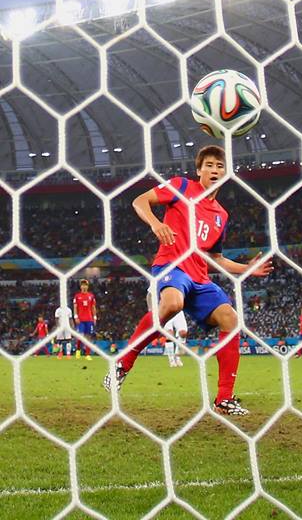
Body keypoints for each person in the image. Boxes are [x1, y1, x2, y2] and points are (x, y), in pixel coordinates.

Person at [102, 145, 273, 416]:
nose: (215, 170)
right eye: (209, 165)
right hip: (171, 266)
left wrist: (246, 269)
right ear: (199, 170)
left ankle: (224, 399)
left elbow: (215, 257)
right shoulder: (181, 187)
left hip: (200, 277)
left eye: (220, 166)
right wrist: (156, 224)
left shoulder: (221, 215)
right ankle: (123, 363)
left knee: (230, 318)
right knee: (172, 303)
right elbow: (139, 201)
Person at [73, 279, 97, 359]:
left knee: (88, 336)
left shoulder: (91, 296)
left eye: (85, 285)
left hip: (89, 319)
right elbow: (75, 307)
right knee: (81, 335)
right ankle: (78, 351)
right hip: (80, 319)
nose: (84, 286)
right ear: (80, 287)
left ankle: (87, 354)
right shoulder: (77, 296)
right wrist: (76, 316)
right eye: (82, 285)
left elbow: (93, 307)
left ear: (87, 286)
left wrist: (94, 317)